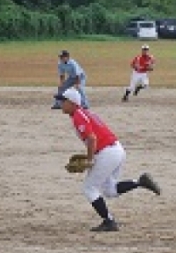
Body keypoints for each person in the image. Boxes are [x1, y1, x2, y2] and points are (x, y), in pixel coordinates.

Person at [59, 88, 161, 232]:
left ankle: (109, 222)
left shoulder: (78, 116)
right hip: (116, 150)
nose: (61, 103)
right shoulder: (85, 113)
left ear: (72, 103)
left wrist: (90, 159)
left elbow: (92, 138)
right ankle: (140, 182)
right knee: (110, 190)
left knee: (89, 188)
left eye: (63, 100)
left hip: (107, 153)